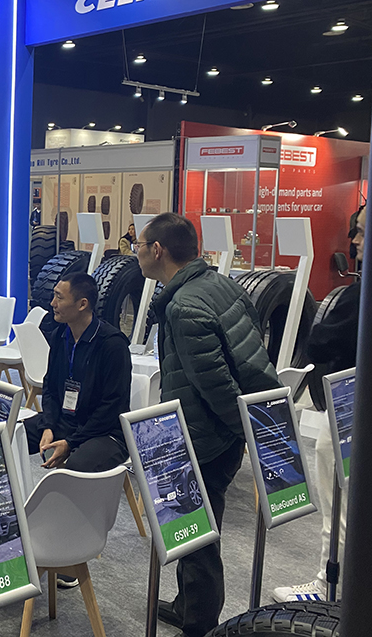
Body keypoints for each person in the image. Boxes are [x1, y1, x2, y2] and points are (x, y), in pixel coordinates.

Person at [135, 212, 281, 637]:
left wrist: (240, 431)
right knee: (197, 528)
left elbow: (216, 385)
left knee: (197, 535)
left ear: (158, 250)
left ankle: (199, 624)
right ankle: (187, 605)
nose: (136, 253)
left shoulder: (183, 306)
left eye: (139, 246)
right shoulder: (221, 284)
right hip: (222, 433)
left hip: (205, 438)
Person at [271, 205, 363, 602]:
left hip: (349, 412)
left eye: (362, 232)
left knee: (338, 503)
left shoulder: (360, 296)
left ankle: (329, 585)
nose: (354, 241)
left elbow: (323, 340)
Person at [23, 272, 131, 473]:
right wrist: (48, 426)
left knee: (78, 465)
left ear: (82, 304)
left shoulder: (112, 345)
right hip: (66, 420)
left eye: (59, 297)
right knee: (9, 436)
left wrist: (70, 442)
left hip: (105, 431)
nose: (53, 303)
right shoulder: (60, 336)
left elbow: (112, 407)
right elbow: (50, 387)